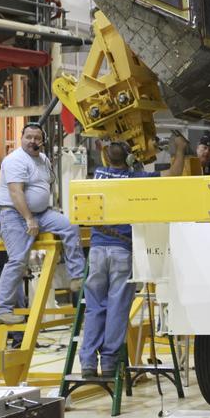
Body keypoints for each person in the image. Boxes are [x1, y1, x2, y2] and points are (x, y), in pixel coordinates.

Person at [0, 122, 87, 325]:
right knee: (18, 259)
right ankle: (2, 308)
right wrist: (28, 218)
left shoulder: (43, 159)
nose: (32, 141)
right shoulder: (15, 160)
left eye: (36, 138)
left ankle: (77, 276)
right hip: (14, 213)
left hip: (42, 213)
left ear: (42, 141)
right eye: (28, 137)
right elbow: (16, 192)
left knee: (70, 226)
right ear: (21, 138)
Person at [80, 141, 153, 379]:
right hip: (122, 250)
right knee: (117, 309)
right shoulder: (134, 179)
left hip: (98, 251)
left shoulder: (96, 177)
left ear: (105, 157)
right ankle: (109, 363)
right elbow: (172, 176)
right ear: (129, 160)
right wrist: (181, 151)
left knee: (94, 308)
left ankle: (88, 362)